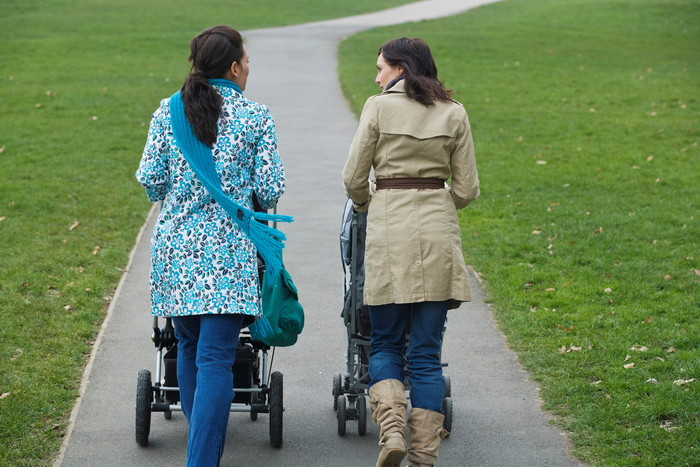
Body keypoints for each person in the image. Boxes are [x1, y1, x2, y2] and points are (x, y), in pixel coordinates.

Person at [135, 25, 286, 466]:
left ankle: (201, 445)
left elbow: (151, 181)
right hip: (228, 254)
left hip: (176, 252)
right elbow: (271, 187)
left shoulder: (168, 111)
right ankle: (201, 458)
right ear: (235, 67)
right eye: (248, 62)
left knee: (187, 348)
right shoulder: (255, 116)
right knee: (217, 358)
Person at [342, 37, 480, 467]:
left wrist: (370, 203)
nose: (377, 75)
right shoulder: (454, 113)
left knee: (384, 344)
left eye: (381, 67)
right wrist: (436, 203)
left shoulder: (378, 107)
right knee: (424, 354)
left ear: (401, 68)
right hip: (437, 230)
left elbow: (353, 178)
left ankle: (392, 434)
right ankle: (424, 454)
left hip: (389, 229)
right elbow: (467, 189)